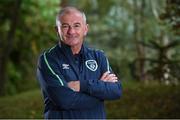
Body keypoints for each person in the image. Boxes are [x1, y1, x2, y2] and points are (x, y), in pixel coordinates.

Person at [37, 6, 122, 119]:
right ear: (57, 30)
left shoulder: (98, 56)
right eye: (65, 26)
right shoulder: (48, 59)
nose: (71, 31)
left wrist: (82, 85)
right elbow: (64, 100)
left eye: (76, 25)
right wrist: (100, 90)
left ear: (85, 29)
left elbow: (115, 91)